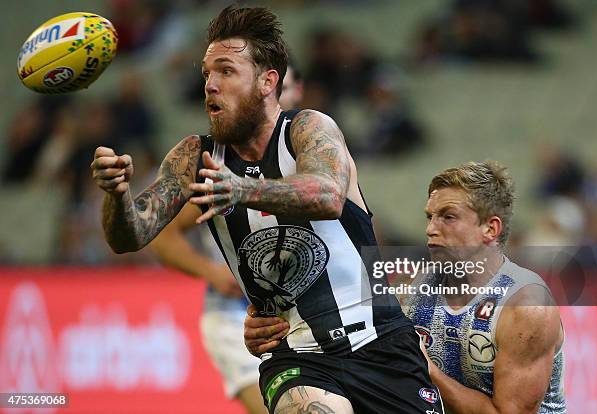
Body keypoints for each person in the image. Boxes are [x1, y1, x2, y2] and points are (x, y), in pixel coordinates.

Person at [91, 5, 442, 414]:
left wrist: (241, 189)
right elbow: (129, 236)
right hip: (296, 358)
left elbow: (327, 196)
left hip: (383, 344)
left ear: (266, 81)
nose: (210, 85)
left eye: (225, 71)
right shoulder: (194, 157)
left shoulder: (309, 128)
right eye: (206, 73)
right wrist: (116, 195)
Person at [246, 161, 566, 413]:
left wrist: (430, 373)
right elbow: (341, 331)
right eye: (429, 216)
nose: (430, 229)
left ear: (490, 228)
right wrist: (274, 329)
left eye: (448, 217)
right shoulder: (410, 286)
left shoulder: (526, 305)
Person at [148, 63, 305, 414]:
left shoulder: (313, 156)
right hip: (235, 314)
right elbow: (163, 236)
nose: (280, 97)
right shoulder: (222, 164)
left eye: (288, 89)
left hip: (304, 314)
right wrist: (213, 272)